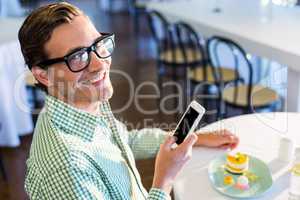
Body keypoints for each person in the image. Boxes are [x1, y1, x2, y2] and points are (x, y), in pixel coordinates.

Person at [19, 2, 239, 200]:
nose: (99, 64)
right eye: (77, 56)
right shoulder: (66, 169)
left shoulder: (83, 102)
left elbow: (124, 140)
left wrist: (190, 137)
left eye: (98, 45)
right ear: (44, 75)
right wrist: (164, 181)